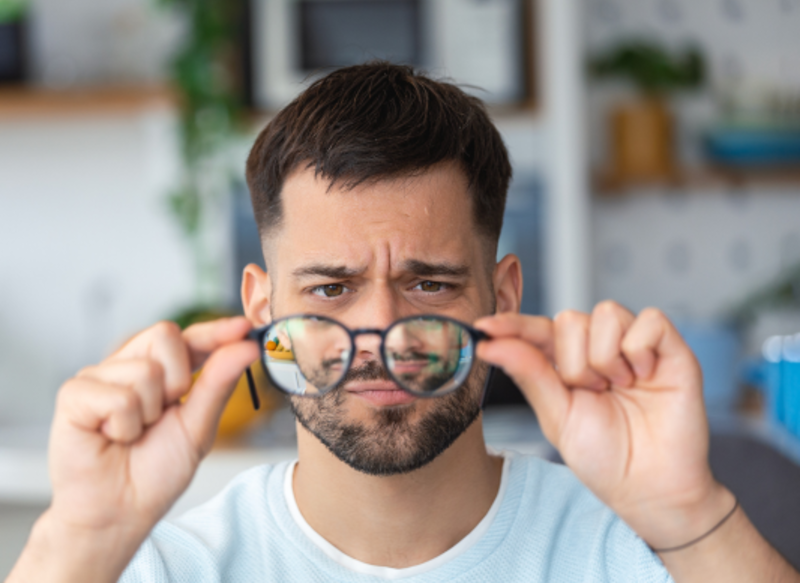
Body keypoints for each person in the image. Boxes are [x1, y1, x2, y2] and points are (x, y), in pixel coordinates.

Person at [7, 62, 799, 583]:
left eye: (428, 283)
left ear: (503, 297)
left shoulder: (633, 551)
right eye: (329, 289)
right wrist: (78, 538)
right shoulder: (160, 568)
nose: (382, 334)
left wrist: (688, 515)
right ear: (259, 309)